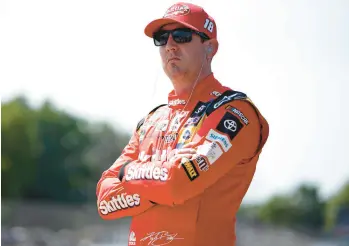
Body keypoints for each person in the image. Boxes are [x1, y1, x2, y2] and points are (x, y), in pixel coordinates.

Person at [96, 2, 269, 246]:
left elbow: (177, 182)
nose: (170, 45)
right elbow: (105, 201)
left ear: (210, 48)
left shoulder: (235, 112)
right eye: (161, 38)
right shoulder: (150, 121)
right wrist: (160, 177)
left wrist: (128, 173)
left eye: (181, 36)